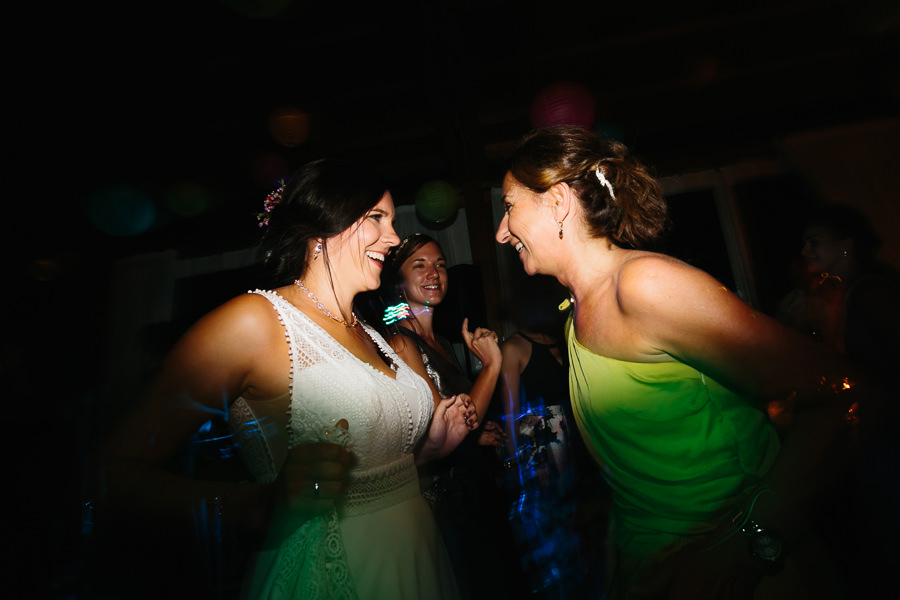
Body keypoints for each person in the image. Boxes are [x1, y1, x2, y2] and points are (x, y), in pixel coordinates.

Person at [495, 125, 869, 599]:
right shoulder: (574, 312)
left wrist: (746, 545)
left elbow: (839, 390)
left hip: (732, 574)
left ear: (558, 202)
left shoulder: (644, 286)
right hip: (653, 568)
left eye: (509, 207)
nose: (501, 232)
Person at [102, 159, 477, 600]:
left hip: (417, 555)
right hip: (329, 572)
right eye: (377, 218)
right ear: (322, 225)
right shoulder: (254, 323)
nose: (393, 238)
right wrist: (254, 505)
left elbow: (376, 465)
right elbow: (116, 474)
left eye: (391, 221)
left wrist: (430, 447)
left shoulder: (371, 331)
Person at [376, 233, 524, 600]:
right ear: (398, 281)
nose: (434, 273)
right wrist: (492, 365)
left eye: (440, 264)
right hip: (447, 504)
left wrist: (478, 436)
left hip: (473, 487)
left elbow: (459, 413)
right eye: (420, 265)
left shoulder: (441, 341)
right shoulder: (400, 343)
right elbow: (447, 425)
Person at [498, 274, 607, 599]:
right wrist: (517, 478)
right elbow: (510, 418)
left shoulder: (569, 339)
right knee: (556, 559)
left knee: (592, 551)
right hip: (544, 467)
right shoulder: (514, 348)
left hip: (584, 456)